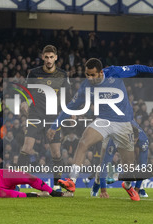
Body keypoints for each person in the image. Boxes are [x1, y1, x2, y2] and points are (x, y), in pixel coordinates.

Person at [47, 58, 153, 198]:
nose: (89, 78)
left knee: (128, 169)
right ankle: (72, 181)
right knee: (83, 142)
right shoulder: (86, 86)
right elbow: (70, 107)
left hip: (123, 123)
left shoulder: (114, 72)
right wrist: (55, 125)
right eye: (87, 74)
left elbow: (137, 68)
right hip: (104, 120)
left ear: (101, 73)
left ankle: (127, 185)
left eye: (92, 75)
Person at [16, 45, 71, 191]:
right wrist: (24, 102)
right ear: (42, 57)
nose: (49, 60)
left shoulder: (62, 75)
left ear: (56, 58)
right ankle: (15, 183)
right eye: (46, 57)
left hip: (53, 116)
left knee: (56, 152)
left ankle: (58, 185)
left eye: (51, 57)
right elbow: (27, 91)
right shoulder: (34, 73)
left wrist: (71, 111)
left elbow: (68, 96)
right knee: (27, 148)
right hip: (36, 113)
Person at [91, 121, 149, 200]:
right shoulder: (115, 138)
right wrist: (103, 189)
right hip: (110, 134)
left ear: (137, 139)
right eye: (130, 141)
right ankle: (95, 188)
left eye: (134, 141)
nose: (132, 144)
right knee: (103, 164)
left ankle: (133, 187)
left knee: (132, 165)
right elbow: (105, 164)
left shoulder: (143, 141)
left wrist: (136, 189)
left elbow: (143, 166)